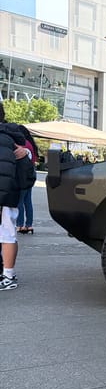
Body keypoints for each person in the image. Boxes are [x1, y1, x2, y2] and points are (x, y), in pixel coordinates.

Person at [0, 101, 30, 291]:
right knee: (7, 233)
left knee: (7, 234)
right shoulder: (13, 136)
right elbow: (29, 157)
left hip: (3, 194)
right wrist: (26, 152)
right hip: (11, 192)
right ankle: (8, 273)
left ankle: (8, 275)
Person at [16, 125, 38, 233]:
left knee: (19, 200)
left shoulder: (20, 144)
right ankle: (29, 225)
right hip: (31, 174)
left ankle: (19, 225)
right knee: (28, 201)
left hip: (22, 176)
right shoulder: (30, 144)